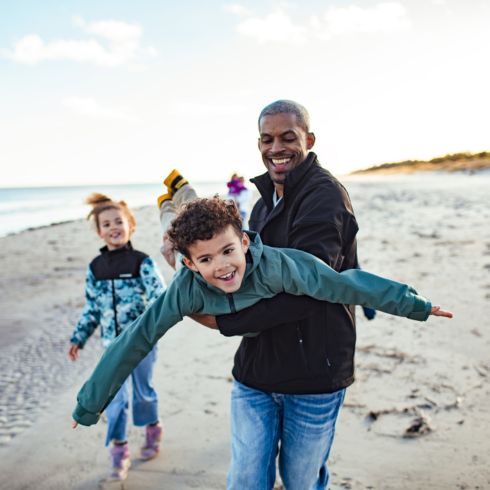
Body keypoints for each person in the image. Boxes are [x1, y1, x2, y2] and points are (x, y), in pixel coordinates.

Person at [71, 195, 451, 440]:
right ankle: (171, 202)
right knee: (170, 229)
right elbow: (135, 338)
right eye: (205, 259)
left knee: (190, 214)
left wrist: (412, 304)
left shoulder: (280, 267)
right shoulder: (185, 286)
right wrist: (89, 404)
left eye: (227, 252)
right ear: (192, 264)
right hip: (188, 270)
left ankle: (182, 198)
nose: (222, 267)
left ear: (246, 242)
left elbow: (344, 285)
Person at [69, 193, 166, 481]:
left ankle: (152, 429)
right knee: (115, 400)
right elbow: (92, 308)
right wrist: (79, 337)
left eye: (119, 222)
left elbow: (160, 297)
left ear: (131, 226)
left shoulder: (142, 262)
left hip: (141, 345)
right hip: (111, 347)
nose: (114, 227)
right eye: (107, 224)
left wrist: (151, 328)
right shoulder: (95, 269)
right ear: (99, 231)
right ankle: (119, 450)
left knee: (143, 393)